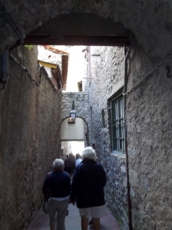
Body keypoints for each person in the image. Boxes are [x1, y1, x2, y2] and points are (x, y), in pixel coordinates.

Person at [70, 146, 107, 230]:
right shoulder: (99, 167)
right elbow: (104, 182)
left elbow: (74, 184)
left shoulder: (79, 167)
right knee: (96, 220)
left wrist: (73, 197)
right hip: (97, 197)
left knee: (84, 219)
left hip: (83, 198)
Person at [42, 158, 71, 230]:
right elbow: (69, 188)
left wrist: (46, 196)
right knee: (61, 219)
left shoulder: (49, 175)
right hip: (64, 199)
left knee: (52, 217)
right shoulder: (66, 175)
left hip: (53, 199)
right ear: (62, 166)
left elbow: (44, 188)